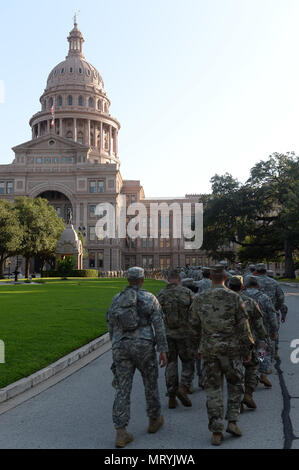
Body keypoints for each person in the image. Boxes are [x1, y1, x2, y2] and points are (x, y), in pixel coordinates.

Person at [190, 265, 254, 446]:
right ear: (225, 278)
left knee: (213, 389)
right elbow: (244, 326)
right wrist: (247, 350)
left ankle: (216, 430)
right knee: (235, 384)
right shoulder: (235, 297)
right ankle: (232, 421)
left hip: (209, 349)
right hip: (231, 349)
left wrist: (196, 347)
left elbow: (193, 325)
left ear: (210, 277)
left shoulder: (200, 298)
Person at [107, 267, 168, 448]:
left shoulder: (117, 299)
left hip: (121, 346)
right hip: (144, 346)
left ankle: (121, 431)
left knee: (122, 389)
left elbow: (110, 324)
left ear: (128, 279)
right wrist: (162, 350)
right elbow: (159, 326)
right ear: (142, 280)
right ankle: (154, 419)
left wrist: (115, 345)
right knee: (150, 383)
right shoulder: (150, 298)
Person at [157, 269, 195, 408]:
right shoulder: (187, 293)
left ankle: (171, 395)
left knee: (171, 363)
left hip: (168, 334)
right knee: (188, 362)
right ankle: (183, 387)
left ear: (168, 279)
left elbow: (157, 316)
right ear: (179, 278)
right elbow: (194, 314)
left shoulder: (161, 294)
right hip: (185, 334)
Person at [228, 276, 267, 410]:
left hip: (228, 343)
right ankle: (248, 394)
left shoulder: (223, 302)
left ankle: (237, 400)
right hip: (248, 342)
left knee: (234, 371)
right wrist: (264, 339)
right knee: (253, 366)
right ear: (242, 287)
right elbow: (259, 325)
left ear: (229, 287)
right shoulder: (250, 302)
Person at [243, 276, 278, 388]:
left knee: (245, 354)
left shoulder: (240, 297)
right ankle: (262, 374)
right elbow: (272, 315)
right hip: (261, 331)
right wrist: (274, 330)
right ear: (258, 285)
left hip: (244, 332)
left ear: (246, 285)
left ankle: (248, 376)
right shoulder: (264, 297)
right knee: (262, 352)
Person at [255, 263, 287, 359]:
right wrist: (275, 308)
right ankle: (274, 353)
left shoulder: (251, 281)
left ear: (256, 271)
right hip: (271, 313)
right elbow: (281, 298)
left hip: (256, 313)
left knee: (260, 338)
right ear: (265, 271)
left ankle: (261, 358)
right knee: (273, 334)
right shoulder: (273, 282)